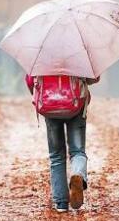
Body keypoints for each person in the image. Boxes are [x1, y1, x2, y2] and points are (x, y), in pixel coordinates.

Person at [42, 76, 100, 212]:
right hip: (76, 105)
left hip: (49, 104)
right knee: (78, 151)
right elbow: (93, 78)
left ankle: (61, 203)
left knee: (56, 156)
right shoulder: (79, 54)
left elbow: (30, 80)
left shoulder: (40, 56)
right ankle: (78, 174)